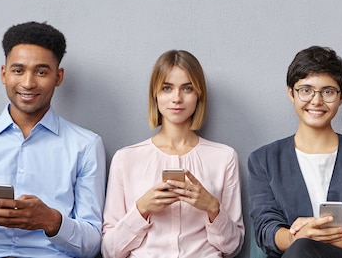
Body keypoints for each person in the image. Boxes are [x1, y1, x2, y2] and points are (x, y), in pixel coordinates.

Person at [0, 21, 106, 258]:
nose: (28, 83)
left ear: (58, 77)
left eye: (41, 72)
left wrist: (51, 221)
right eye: (18, 70)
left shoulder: (85, 146)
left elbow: (92, 246)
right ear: (4, 74)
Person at [248, 46, 342, 258]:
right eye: (306, 90)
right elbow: (265, 229)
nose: (316, 101)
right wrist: (296, 238)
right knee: (299, 248)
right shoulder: (264, 160)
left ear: (341, 97)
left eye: (327, 91)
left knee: (302, 247)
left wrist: (320, 240)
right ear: (291, 93)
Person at [101, 50, 244, 258]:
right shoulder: (126, 159)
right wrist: (142, 209)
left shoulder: (224, 157)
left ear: (199, 95)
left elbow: (232, 248)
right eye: (167, 88)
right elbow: (110, 251)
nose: (177, 98)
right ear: (155, 95)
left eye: (187, 88)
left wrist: (212, 208)